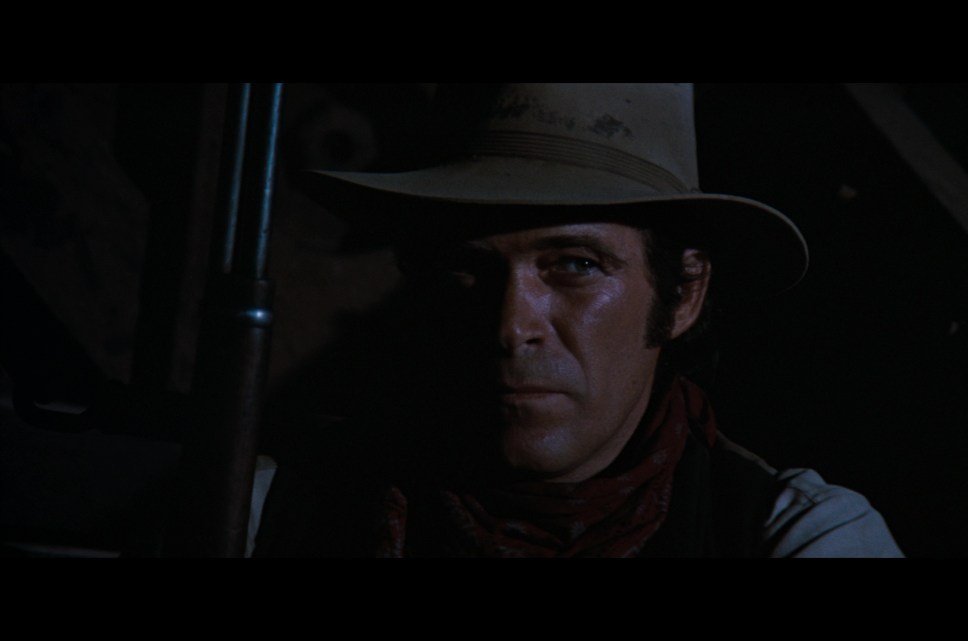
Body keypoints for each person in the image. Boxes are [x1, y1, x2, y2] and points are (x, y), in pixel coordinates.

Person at [251, 83, 903, 557]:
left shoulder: (793, 536)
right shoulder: (274, 510)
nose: (512, 325)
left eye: (575, 265)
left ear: (683, 294)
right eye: (467, 269)